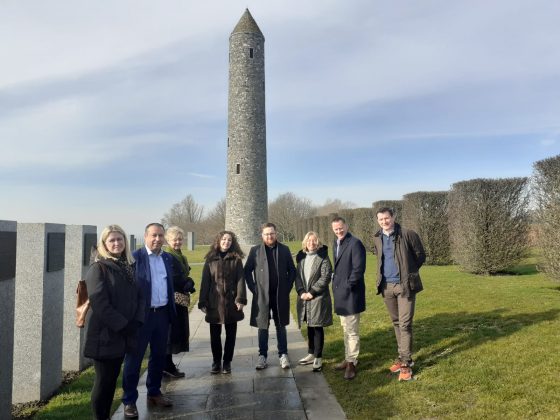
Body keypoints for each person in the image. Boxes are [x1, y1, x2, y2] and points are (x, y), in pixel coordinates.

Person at [83, 225, 144, 420]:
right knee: (103, 383)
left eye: (120, 239)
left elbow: (137, 296)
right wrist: (124, 326)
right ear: (104, 244)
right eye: (112, 240)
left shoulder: (127, 265)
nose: (117, 243)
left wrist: (137, 320)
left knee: (111, 382)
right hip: (104, 336)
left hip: (122, 334)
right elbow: (100, 304)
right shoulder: (98, 268)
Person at [121, 223, 180, 418]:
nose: (157, 239)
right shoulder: (134, 258)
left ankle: (154, 392)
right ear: (145, 236)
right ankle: (129, 400)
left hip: (162, 315)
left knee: (159, 356)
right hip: (141, 318)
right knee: (134, 359)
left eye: (161, 236)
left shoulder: (166, 258)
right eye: (154, 235)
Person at [373, 207, 425, 382]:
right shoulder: (378, 237)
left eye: (386, 218)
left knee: (405, 324)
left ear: (393, 217)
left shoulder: (407, 234)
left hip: (404, 286)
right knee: (396, 323)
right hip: (387, 286)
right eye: (380, 219)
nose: (384, 222)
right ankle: (401, 355)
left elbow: (420, 256)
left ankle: (406, 362)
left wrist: (408, 272)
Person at [244, 222, 297, 370]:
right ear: (262, 235)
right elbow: (247, 271)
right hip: (262, 295)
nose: (269, 236)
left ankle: (283, 354)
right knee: (262, 326)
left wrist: (287, 286)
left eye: (272, 233)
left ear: (276, 233)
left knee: (281, 325)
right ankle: (262, 356)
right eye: (266, 234)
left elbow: (292, 270)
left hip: (280, 294)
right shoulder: (255, 251)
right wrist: (253, 287)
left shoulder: (284, 250)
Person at [198, 231, 247, 374]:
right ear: (218, 241)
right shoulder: (210, 259)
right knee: (215, 335)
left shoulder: (236, 259)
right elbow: (205, 281)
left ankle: (227, 362)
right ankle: (216, 362)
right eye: (224, 239)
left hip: (231, 302)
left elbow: (240, 280)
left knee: (231, 335)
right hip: (214, 302)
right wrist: (203, 301)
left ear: (232, 243)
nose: (226, 242)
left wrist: (240, 299)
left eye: (229, 240)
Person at [331, 216, 366, 380]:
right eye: (336, 229)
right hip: (340, 294)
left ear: (346, 226)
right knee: (345, 329)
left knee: (352, 331)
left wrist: (347, 287)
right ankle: (347, 359)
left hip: (351, 294)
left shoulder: (355, 243)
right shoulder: (335, 243)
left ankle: (352, 363)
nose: (339, 231)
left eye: (341, 228)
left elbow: (358, 270)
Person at [295, 231, 333, 372]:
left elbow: (325, 277)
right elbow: (297, 277)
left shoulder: (323, 257)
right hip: (304, 297)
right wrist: (301, 292)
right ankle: (311, 353)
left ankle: (318, 357)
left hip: (318, 297)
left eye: (314, 240)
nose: (311, 243)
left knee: (317, 327)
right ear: (305, 242)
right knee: (309, 326)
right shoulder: (301, 258)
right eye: (309, 240)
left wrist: (312, 292)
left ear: (318, 242)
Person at [163, 226, 196, 378]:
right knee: (171, 333)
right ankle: (166, 366)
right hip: (173, 300)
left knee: (175, 332)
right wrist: (186, 281)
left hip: (179, 298)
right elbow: (173, 277)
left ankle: (167, 364)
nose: (177, 242)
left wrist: (187, 280)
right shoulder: (167, 255)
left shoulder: (179, 254)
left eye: (180, 239)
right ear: (168, 240)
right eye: (174, 239)